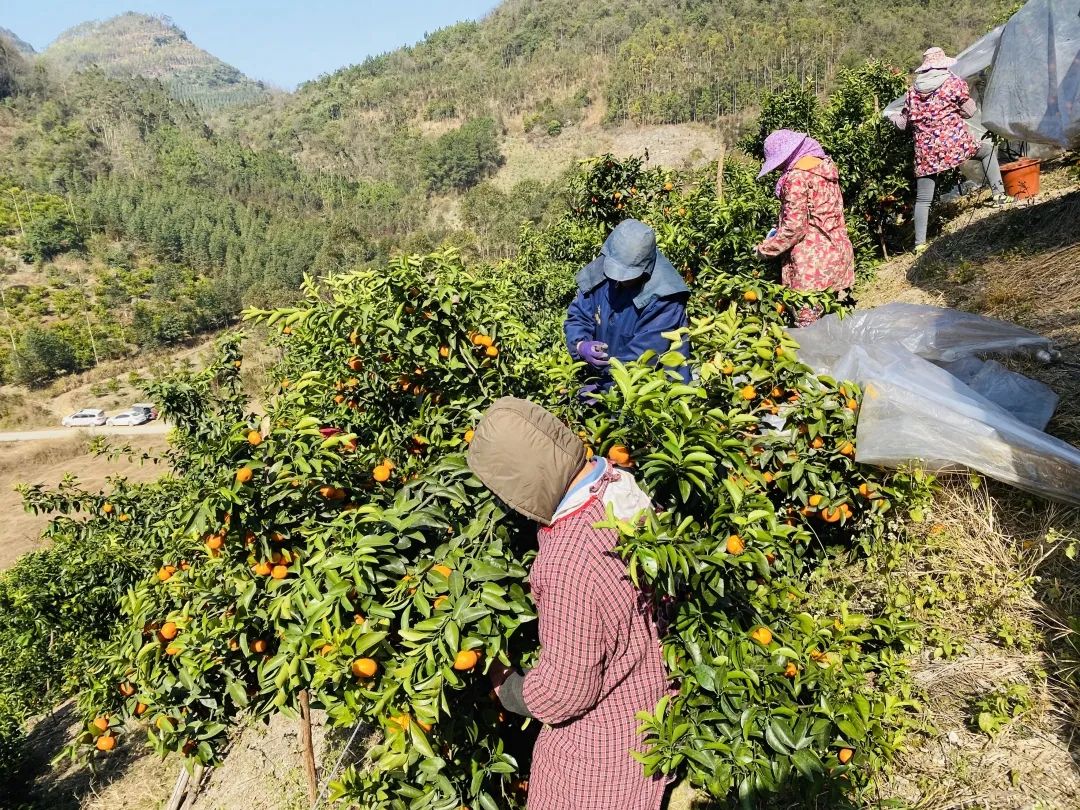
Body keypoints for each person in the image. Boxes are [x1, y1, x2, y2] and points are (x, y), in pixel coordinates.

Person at [466, 397, 671, 810]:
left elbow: (565, 692)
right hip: (657, 706)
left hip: (608, 756)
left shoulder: (567, 561)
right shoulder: (619, 485)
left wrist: (509, 688)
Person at [890, 47, 1010, 255]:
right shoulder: (953, 83)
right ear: (943, 64)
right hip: (954, 143)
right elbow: (970, 111)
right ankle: (999, 195)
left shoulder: (912, 93)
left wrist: (893, 117)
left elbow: (903, 125)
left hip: (926, 151)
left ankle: (919, 243)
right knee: (986, 152)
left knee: (924, 198)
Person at [564, 219, 690, 391]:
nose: (619, 279)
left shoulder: (665, 299)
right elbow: (579, 314)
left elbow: (643, 359)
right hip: (608, 381)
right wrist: (580, 345)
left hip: (650, 393)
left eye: (629, 275)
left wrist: (603, 389)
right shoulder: (603, 270)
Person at [753, 129, 855, 327]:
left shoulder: (797, 178)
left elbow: (795, 228)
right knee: (830, 322)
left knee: (808, 327)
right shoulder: (825, 170)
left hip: (812, 266)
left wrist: (764, 249)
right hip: (837, 255)